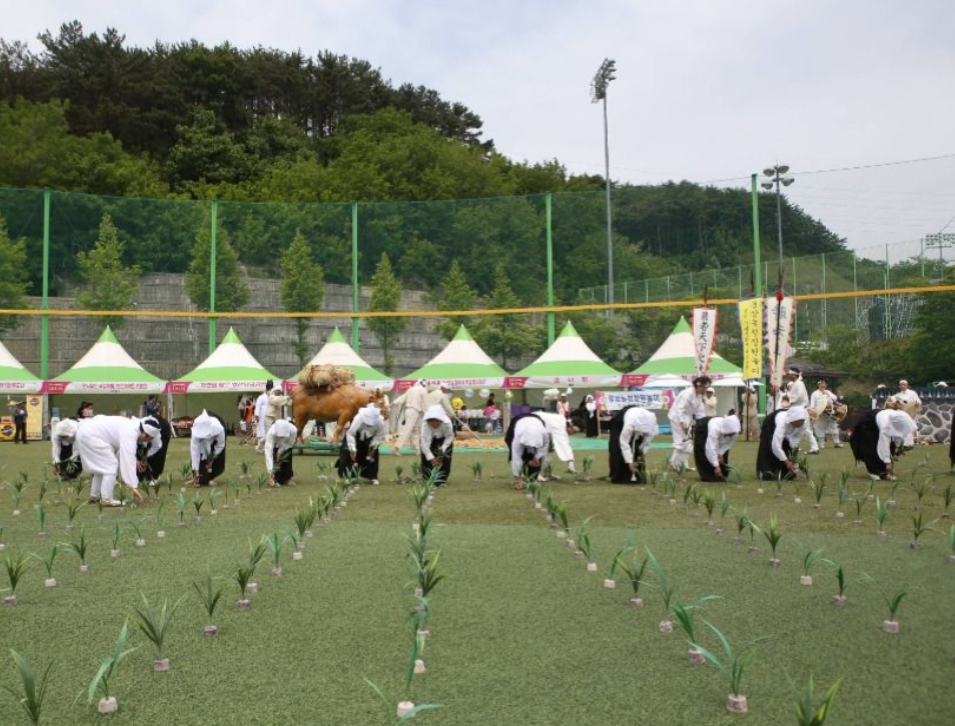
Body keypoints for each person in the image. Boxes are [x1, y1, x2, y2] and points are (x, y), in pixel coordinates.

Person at [76, 415, 160, 505]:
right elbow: (129, 458)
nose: (146, 441)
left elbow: (121, 454)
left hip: (85, 433)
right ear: (145, 434)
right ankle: (106, 499)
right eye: (148, 439)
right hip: (91, 435)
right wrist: (133, 485)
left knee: (103, 467)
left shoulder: (131, 426)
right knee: (110, 466)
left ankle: (95, 496)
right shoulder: (131, 432)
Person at [849, 408, 917, 481]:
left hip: (881, 419)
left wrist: (899, 448)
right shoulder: (885, 426)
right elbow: (884, 444)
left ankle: (884, 472)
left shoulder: (904, 418)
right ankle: (874, 472)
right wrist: (888, 463)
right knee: (870, 448)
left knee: (891, 446)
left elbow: (903, 434)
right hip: (869, 423)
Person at [337, 403, 387, 483]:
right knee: (347, 452)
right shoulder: (358, 418)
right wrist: (352, 449)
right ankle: (349, 476)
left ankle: (372, 476)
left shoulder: (380, 422)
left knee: (373, 455)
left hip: (369, 438)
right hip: (355, 436)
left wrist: (373, 447)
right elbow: (350, 433)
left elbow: (379, 436)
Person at [756, 406, 809, 480]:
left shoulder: (803, 424)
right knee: (769, 448)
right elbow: (776, 446)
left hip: (782, 422)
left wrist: (792, 457)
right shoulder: (782, 424)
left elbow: (796, 439)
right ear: (792, 420)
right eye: (796, 424)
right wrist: (787, 462)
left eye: (800, 424)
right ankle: (767, 473)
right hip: (771, 424)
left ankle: (785, 473)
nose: (797, 427)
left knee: (787, 448)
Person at [668, 376, 709, 471]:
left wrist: (704, 422)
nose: (705, 390)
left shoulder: (699, 395)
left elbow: (700, 411)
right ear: (699, 386)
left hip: (687, 419)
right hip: (677, 418)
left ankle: (684, 464)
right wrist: (682, 422)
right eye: (704, 388)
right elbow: (680, 408)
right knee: (681, 441)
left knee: (688, 442)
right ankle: (674, 463)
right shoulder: (687, 393)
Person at [608, 406, 658, 483]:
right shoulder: (630, 424)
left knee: (638, 447)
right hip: (620, 420)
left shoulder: (651, 423)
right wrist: (629, 461)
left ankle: (638, 475)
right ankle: (620, 477)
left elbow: (646, 442)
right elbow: (624, 442)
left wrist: (642, 453)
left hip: (636, 414)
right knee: (618, 447)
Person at [505, 413, 550, 489]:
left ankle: (533, 477)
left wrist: (536, 457)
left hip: (537, 419)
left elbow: (544, 447)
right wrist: (518, 479)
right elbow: (516, 458)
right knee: (512, 447)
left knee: (537, 458)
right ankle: (521, 474)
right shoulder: (517, 438)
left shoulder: (544, 433)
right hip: (518, 419)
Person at [695, 415, 740, 482]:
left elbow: (727, 443)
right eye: (731, 433)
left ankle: (721, 474)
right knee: (703, 451)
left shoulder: (734, 432)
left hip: (717, 427)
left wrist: (720, 453)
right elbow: (711, 447)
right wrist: (716, 466)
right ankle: (708, 475)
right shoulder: (714, 429)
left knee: (722, 458)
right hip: (704, 428)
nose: (732, 435)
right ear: (726, 429)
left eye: (733, 433)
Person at [786, 369, 819, 454]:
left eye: (790, 374)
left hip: (799, 410)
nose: (788, 375)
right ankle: (812, 448)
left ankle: (794, 447)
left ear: (794, 375)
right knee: (803, 430)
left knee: (796, 431)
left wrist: (789, 401)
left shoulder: (799, 384)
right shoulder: (795, 384)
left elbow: (799, 396)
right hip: (797, 410)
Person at [190, 410, 227, 486]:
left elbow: (220, 445)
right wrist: (196, 471)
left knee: (218, 458)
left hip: (216, 431)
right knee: (201, 477)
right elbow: (194, 452)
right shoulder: (196, 427)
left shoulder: (218, 428)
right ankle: (196, 477)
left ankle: (211, 477)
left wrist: (212, 458)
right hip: (205, 442)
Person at [420, 405, 454, 485]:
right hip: (431, 439)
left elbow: (449, 437)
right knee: (426, 457)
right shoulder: (425, 425)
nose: (435, 424)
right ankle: (427, 477)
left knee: (445, 458)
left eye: (438, 422)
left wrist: (441, 452)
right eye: (433, 422)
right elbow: (425, 443)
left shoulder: (447, 423)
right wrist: (432, 459)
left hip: (444, 439)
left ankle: (442, 479)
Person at [537, 411, 577, 475]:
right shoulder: (559, 426)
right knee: (539, 449)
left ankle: (547, 473)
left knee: (545, 449)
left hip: (536, 423)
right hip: (532, 424)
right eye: (574, 432)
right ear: (571, 427)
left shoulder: (561, 420)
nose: (572, 434)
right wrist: (571, 464)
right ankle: (536, 475)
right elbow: (564, 445)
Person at [394, 380, 429, 455]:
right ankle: (397, 448)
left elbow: (401, 398)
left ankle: (417, 449)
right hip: (414, 411)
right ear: (424, 385)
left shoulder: (411, 389)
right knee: (407, 430)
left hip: (410, 411)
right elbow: (425, 404)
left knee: (415, 430)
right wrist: (428, 414)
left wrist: (392, 403)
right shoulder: (423, 390)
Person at [137, 415, 172, 485]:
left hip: (164, 428)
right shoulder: (134, 429)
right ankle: (140, 476)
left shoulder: (156, 436)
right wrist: (138, 459)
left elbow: (157, 447)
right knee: (139, 454)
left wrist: (145, 458)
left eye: (150, 439)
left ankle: (154, 476)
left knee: (159, 454)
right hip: (147, 429)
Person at [809, 380, 844, 450]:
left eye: (824, 384)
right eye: (821, 384)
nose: (823, 385)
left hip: (830, 413)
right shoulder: (815, 393)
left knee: (834, 427)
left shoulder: (828, 392)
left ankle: (837, 443)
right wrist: (814, 411)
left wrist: (828, 394)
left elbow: (835, 398)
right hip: (820, 414)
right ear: (818, 385)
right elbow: (812, 405)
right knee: (819, 428)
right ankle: (821, 444)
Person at [265, 419, 298, 486]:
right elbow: (268, 452)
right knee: (274, 458)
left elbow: (289, 445)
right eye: (280, 436)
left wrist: (280, 452)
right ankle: (273, 479)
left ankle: (288, 478)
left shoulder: (293, 430)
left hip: (287, 444)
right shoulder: (271, 432)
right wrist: (270, 472)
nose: (281, 438)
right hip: (275, 444)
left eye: (283, 436)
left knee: (287, 456)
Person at [890, 379, 922, 447]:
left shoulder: (912, 393)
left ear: (907, 385)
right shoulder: (897, 395)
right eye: (901, 384)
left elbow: (918, 402)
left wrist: (916, 404)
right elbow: (893, 402)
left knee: (908, 428)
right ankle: (898, 443)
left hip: (910, 413)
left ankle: (908, 444)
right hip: (901, 414)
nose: (902, 386)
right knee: (900, 428)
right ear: (899, 386)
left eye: (904, 384)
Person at [254, 381, 273, 452]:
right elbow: (257, 406)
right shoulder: (261, 397)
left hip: (270, 414)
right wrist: (257, 414)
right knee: (261, 428)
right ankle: (260, 446)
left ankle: (267, 446)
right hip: (262, 414)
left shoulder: (272, 395)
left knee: (269, 430)